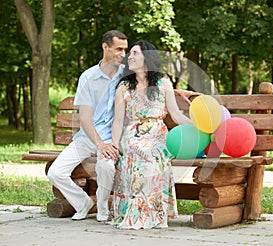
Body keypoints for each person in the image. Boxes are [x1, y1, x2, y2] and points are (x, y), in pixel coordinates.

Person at [111, 40, 193, 229]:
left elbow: (176, 114)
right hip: (132, 134)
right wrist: (115, 145)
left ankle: (153, 212)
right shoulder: (124, 86)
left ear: (147, 57)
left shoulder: (163, 83)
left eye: (135, 53)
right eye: (129, 53)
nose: (129, 57)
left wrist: (197, 126)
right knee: (138, 152)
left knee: (154, 154)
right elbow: (118, 120)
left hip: (158, 134)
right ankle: (135, 213)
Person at [47, 30, 128, 222]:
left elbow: (154, 83)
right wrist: (99, 144)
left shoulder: (126, 75)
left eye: (125, 50)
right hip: (87, 138)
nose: (123, 54)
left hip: (113, 138)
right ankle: (83, 203)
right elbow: (84, 118)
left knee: (106, 167)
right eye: (119, 49)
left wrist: (183, 93)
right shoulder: (88, 78)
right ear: (105, 47)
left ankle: (102, 206)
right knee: (55, 172)